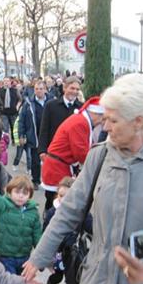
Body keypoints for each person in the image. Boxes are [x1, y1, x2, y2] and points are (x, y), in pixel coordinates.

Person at [22, 73, 143, 284]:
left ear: (139, 121)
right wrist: (39, 257)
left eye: (114, 121)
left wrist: (137, 249)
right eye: (104, 118)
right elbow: (70, 209)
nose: (105, 126)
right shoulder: (100, 155)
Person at [0, 175, 42, 284]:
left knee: (22, 277)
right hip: (6, 254)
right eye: (17, 192)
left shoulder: (33, 212)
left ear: (30, 195)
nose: (20, 196)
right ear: (9, 191)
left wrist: (40, 256)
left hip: (24, 255)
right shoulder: (4, 206)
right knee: (10, 280)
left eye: (25, 193)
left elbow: (37, 234)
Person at [41, 97, 105, 211]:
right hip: (57, 168)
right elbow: (81, 153)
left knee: (55, 202)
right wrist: (98, 165)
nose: (101, 121)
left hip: (59, 165)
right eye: (101, 117)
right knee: (57, 204)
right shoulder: (81, 123)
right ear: (95, 113)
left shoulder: (80, 120)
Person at [42, 176, 92, 284]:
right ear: (57, 194)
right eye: (61, 195)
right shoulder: (52, 212)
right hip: (58, 251)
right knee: (57, 276)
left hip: (75, 251)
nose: (63, 199)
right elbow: (45, 233)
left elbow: (91, 228)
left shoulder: (81, 213)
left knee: (73, 280)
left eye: (68, 196)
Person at [37, 76, 83, 209]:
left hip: (70, 158)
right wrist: (42, 150)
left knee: (68, 191)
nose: (74, 91)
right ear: (64, 88)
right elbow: (44, 129)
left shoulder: (80, 109)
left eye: (77, 89)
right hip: (53, 156)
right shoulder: (51, 105)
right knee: (51, 192)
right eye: (71, 88)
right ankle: (49, 216)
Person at [18, 81, 50, 189]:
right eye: (37, 89)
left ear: (45, 89)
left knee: (50, 160)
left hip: (49, 136)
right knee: (35, 160)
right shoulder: (28, 103)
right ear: (34, 90)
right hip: (34, 135)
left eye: (41, 88)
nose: (39, 91)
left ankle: (49, 180)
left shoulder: (51, 102)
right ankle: (35, 180)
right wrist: (21, 135)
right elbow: (21, 120)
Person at [0, 77, 22, 145]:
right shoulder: (0, 91)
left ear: (10, 82)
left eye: (7, 81)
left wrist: (17, 107)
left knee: (13, 127)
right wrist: (0, 108)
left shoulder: (15, 90)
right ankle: (5, 141)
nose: (6, 83)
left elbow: (20, 99)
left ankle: (14, 140)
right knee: (5, 128)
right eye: (5, 81)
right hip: (4, 112)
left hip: (13, 112)